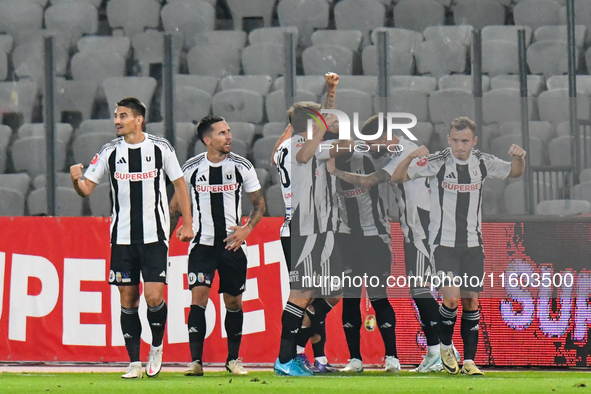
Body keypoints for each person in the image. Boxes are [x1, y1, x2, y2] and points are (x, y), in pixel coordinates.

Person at [391, 116, 526, 376]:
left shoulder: (483, 162)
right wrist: (409, 158)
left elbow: (515, 171)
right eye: (455, 140)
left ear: (474, 141)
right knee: (451, 299)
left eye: (465, 141)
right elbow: (397, 177)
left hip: (474, 246)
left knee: (471, 301)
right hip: (443, 245)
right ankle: (444, 347)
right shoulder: (438, 162)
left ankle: (470, 362)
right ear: (448, 139)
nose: (460, 146)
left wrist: (520, 157)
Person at [70, 97, 194, 379]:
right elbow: (86, 189)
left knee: (153, 296)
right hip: (122, 239)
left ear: (138, 120)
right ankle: (133, 363)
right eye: (116, 115)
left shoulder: (160, 148)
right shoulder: (109, 151)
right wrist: (76, 180)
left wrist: (187, 223)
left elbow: (179, 184)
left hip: (154, 237)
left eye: (123, 116)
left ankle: (157, 346)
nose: (117, 120)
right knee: (128, 299)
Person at [328, 117, 446, 373]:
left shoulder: (402, 152)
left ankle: (442, 350)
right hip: (413, 228)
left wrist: (335, 172)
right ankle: (435, 350)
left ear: (384, 138)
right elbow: (350, 145)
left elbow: (370, 180)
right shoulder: (395, 149)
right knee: (419, 290)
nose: (369, 149)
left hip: (423, 227)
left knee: (420, 290)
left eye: (372, 144)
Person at [171, 115, 266, 377]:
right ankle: (196, 362)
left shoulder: (241, 166)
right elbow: (174, 207)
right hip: (202, 246)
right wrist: (169, 236)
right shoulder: (190, 169)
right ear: (207, 140)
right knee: (198, 298)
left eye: (229, 131)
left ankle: (233, 359)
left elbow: (260, 204)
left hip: (231, 246)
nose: (229, 137)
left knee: (233, 301)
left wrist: (247, 229)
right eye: (222, 133)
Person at [273, 99, 351, 376]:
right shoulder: (299, 145)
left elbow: (340, 149)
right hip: (302, 229)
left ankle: (298, 342)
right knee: (301, 294)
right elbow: (306, 154)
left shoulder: (287, 145)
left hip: (321, 230)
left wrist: (331, 117)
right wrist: (328, 127)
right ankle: (285, 359)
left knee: (333, 291)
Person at [326, 115, 403, 374]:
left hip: (376, 238)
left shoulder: (373, 156)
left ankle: (392, 357)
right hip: (346, 238)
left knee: (378, 296)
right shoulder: (326, 161)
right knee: (350, 299)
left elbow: (387, 152)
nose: (343, 146)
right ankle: (355, 360)